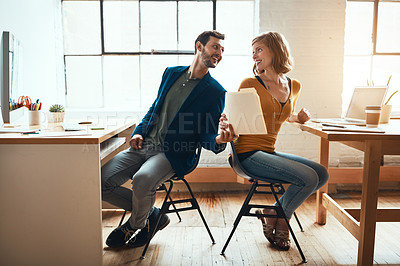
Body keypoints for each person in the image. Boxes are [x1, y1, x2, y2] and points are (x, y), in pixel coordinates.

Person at [101, 30, 236, 249]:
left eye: (222, 49)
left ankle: (135, 225)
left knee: (143, 179)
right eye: (215, 47)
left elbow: (207, 134)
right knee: (100, 182)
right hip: (144, 144)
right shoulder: (171, 73)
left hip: (173, 153)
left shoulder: (215, 92)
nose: (219, 53)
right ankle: (153, 214)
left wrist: (220, 139)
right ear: (199, 47)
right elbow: (155, 107)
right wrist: (139, 131)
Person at [222, 32, 329, 251]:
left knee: (321, 173)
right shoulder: (250, 83)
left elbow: (279, 114)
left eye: (259, 49)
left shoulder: (294, 85)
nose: (255, 56)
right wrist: (226, 124)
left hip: (268, 153)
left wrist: (297, 118)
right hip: (247, 155)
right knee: (308, 178)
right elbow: (236, 117)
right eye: (253, 52)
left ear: (276, 49)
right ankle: (281, 218)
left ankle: (272, 212)